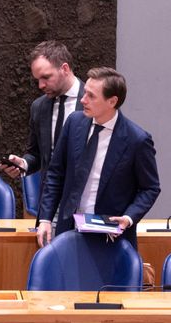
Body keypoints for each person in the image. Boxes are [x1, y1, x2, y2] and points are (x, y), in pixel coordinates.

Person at [36, 67, 161, 248]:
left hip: (111, 235)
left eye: (91, 96)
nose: (83, 100)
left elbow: (150, 188)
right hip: (69, 229)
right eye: (85, 92)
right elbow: (56, 173)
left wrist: (128, 217)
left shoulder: (137, 140)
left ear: (112, 101)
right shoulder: (74, 123)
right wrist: (45, 219)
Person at [0, 41, 84, 188]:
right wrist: (23, 164)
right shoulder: (39, 107)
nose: (41, 85)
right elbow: (37, 154)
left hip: (86, 199)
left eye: (46, 77)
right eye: (38, 79)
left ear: (65, 68)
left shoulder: (95, 102)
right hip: (50, 199)